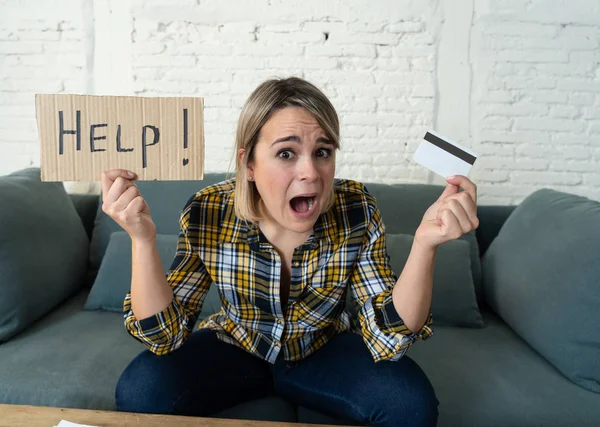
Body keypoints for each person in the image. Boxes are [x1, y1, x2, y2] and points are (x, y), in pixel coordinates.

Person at [103, 77, 478, 427]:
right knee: (141, 388)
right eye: (286, 154)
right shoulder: (208, 210)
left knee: (409, 402)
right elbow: (164, 336)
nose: (311, 173)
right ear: (248, 164)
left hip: (321, 349)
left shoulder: (356, 208)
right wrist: (142, 239)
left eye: (323, 152)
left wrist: (425, 245)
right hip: (237, 346)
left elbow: (387, 337)